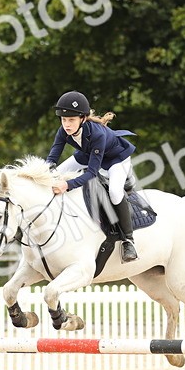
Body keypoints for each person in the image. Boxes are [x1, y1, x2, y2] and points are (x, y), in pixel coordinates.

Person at [45, 90, 140, 262]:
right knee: (55, 174)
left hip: (115, 159)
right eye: (64, 119)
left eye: (71, 120)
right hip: (87, 155)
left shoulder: (97, 134)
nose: (67, 124)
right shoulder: (63, 131)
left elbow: (91, 173)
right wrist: (47, 171)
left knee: (115, 192)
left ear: (82, 119)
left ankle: (128, 240)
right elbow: (52, 158)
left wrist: (67, 185)